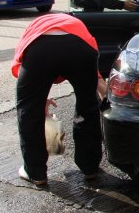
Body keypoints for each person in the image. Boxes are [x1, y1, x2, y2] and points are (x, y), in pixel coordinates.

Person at [12, 14, 107, 186]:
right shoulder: (80, 29)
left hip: (40, 49)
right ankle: (89, 167)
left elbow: (23, 77)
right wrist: (108, 103)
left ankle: (35, 172)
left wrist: (41, 100)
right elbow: (97, 80)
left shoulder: (33, 30)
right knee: (87, 106)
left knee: (29, 111)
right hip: (79, 48)